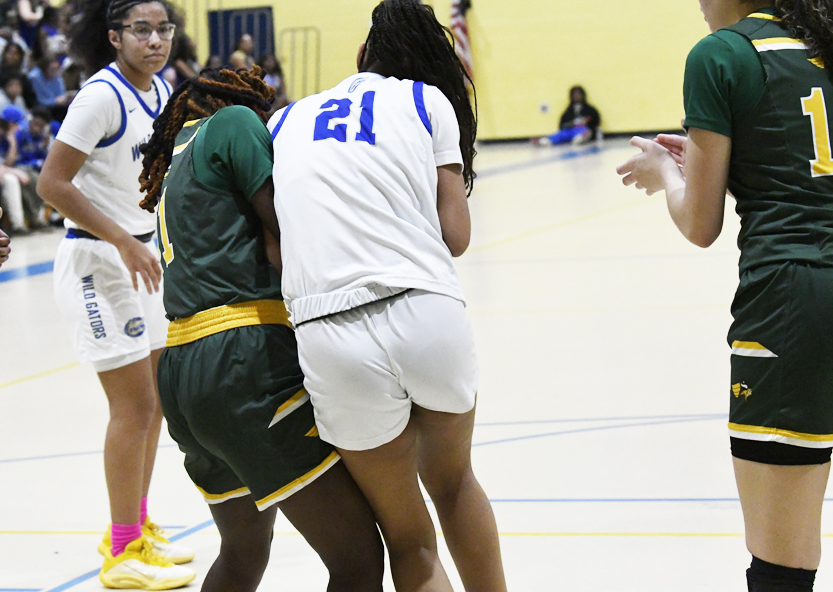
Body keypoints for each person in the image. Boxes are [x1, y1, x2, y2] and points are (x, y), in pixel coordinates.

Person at [269, 1, 507, 591]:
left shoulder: (283, 120)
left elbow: (276, 245)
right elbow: (456, 236)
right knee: (454, 484)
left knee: (407, 537)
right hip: (424, 311)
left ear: (360, 57)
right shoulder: (429, 101)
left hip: (328, 329)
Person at [138, 65, 385, 592]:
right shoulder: (234, 123)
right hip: (239, 356)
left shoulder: (176, 152)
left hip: (180, 368)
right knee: (358, 558)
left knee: (243, 552)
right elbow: (285, 235)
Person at [616, 1, 833, 590]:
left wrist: (666, 172)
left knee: (782, 562)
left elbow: (700, 223)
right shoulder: (818, 41)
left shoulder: (722, 54)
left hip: (793, 302)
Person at [36, 0, 196, 588]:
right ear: (114, 37)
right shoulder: (100, 97)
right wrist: (124, 242)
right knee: (133, 408)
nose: (155, 40)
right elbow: (52, 183)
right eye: (141, 30)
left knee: (153, 405)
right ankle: (122, 553)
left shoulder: (163, 91)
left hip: (140, 257)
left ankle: (135, 528)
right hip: (96, 263)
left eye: (163, 29)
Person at [533, 85, 601, 146]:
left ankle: (579, 139)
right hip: (569, 130)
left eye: (579, 94)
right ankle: (545, 141)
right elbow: (562, 125)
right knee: (561, 134)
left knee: (585, 132)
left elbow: (596, 124)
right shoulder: (568, 111)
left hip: (582, 130)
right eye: (574, 95)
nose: (577, 96)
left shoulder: (590, 110)